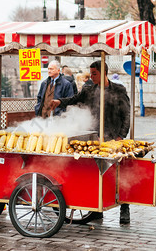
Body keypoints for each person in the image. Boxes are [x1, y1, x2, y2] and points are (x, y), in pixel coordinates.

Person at [50, 60, 131, 223]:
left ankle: (125, 208)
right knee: (95, 174)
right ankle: (96, 210)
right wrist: (59, 102)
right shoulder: (88, 89)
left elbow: (126, 116)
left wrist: (120, 137)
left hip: (113, 137)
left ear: (104, 73)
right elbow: (74, 99)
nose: (91, 76)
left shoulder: (119, 90)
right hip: (94, 139)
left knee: (118, 175)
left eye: (94, 73)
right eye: (91, 73)